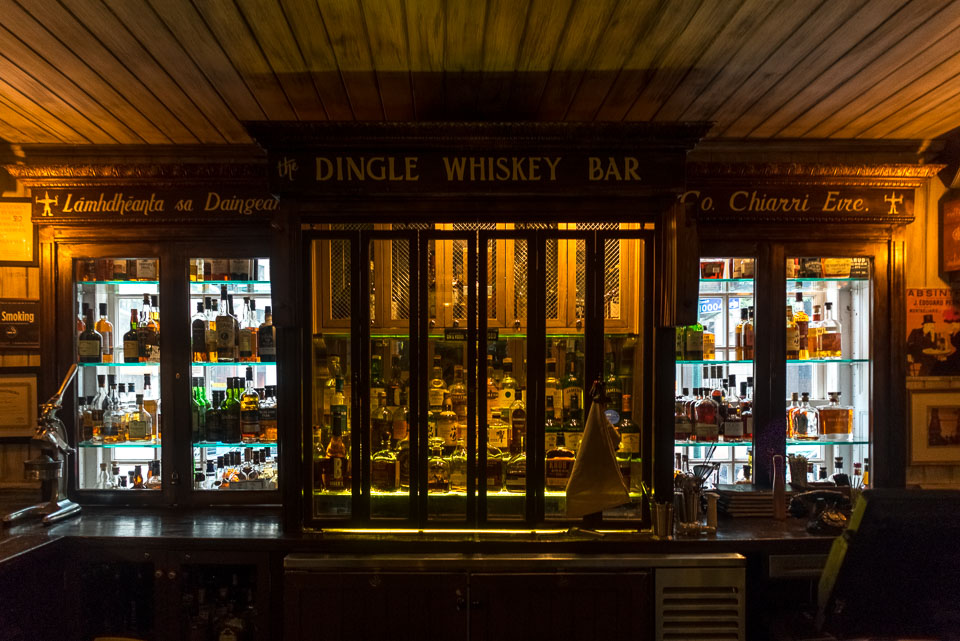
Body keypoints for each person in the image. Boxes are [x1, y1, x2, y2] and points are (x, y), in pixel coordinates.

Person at [930, 307, 960, 376]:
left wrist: (947, 358)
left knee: (938, 366)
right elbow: (956, 345)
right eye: (951, 322)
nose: (952, 325)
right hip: (956, 359)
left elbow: (958, 351)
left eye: (954, 323)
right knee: (938, 364)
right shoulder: (958, 333)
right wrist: (951, 335)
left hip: (957, 362)